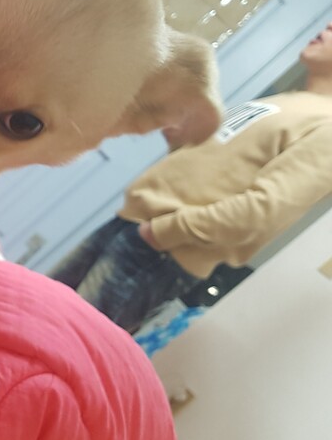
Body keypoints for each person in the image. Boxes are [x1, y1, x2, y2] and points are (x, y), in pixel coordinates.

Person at [50, 22, 332, 334]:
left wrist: (161, 233)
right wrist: (183, 140)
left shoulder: (327, 128)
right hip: (135, 226)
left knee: (57, 338)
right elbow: (219, 170)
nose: (329, 25)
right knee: (28, 311)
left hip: (159, 250)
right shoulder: (290, 102)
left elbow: (261, 213)